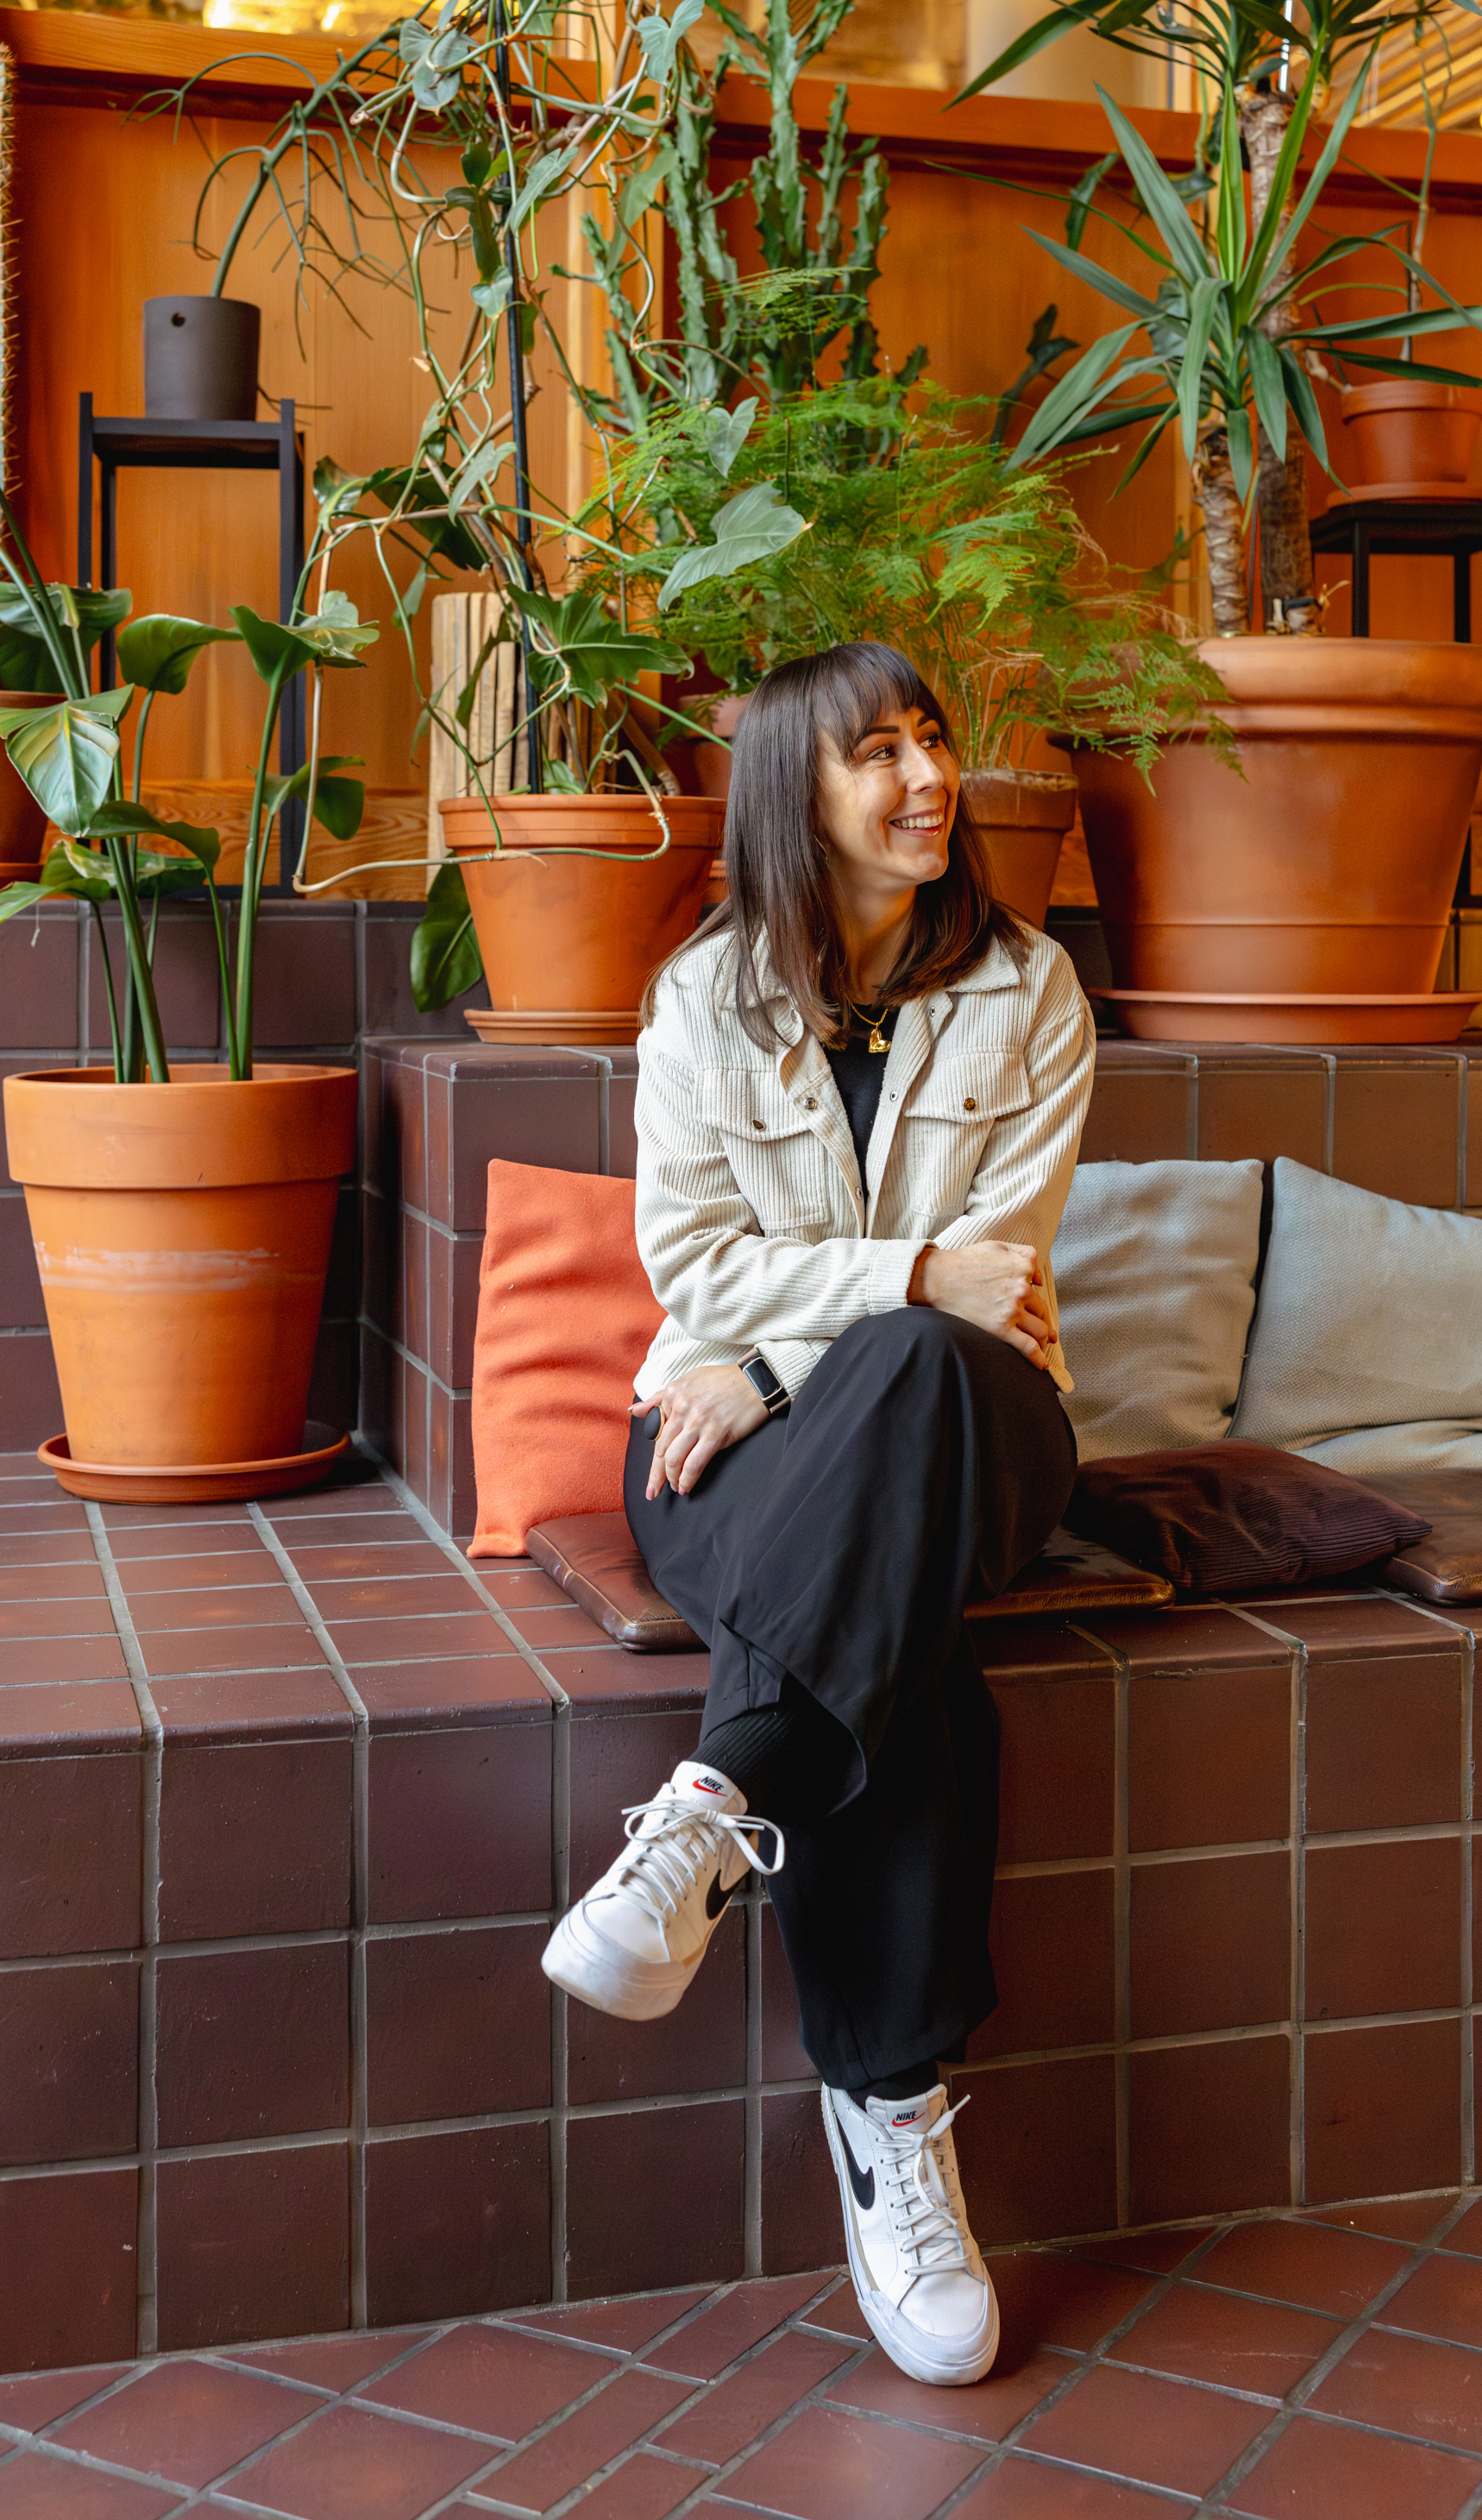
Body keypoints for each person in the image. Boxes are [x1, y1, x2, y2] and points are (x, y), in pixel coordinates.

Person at [542, 642, 1096, 2386]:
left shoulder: (1028, 989)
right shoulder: (703, 999)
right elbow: (693, 1264)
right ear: (798, 788)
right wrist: (886, 1291)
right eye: (881, 753)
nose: (930, 779)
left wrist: (782, 1368)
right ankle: (893, 2116)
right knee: (893, 1638)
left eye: (936, 741)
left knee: (919, 1375)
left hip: (971, 1428)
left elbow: (988, 1288)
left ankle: (713, 1814)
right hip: (719, 1452)